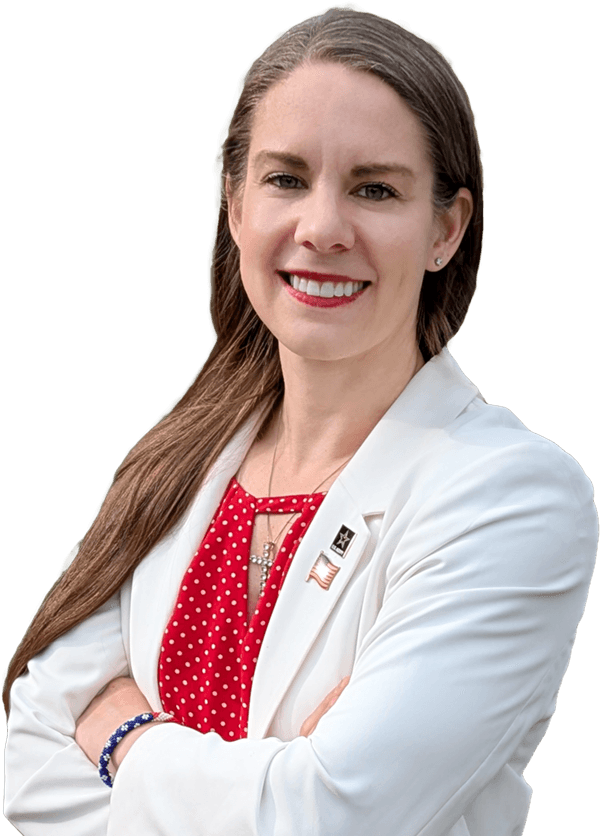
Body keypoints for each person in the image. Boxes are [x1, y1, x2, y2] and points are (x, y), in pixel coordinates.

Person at [3, 7, 597, 835]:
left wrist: (121, 737)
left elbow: (331, 817)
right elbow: (28, 759)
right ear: (235, 202)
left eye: (375, 189)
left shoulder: (512, 496)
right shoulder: (176, 461)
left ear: (446, 229)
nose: (321, 228)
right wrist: (275, 779)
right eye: (286, 178)